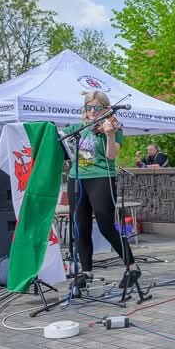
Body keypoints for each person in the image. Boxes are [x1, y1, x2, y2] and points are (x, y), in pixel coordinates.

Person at [65, 91, 140, 289]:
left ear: (106, 108)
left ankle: (132, 267)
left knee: (106, 226)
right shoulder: (79, 128)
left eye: (96, 108)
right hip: (77, 178)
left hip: (100, 178)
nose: (92, 111)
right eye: (88, 107)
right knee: (80, 227)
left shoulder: (113, 127)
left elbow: (111, 155)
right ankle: (86, 271)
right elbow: (60, 137)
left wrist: (110, 134)